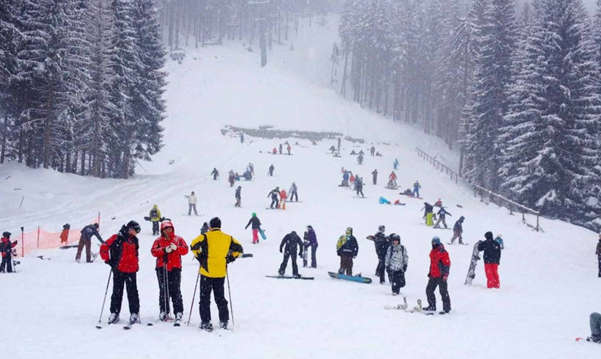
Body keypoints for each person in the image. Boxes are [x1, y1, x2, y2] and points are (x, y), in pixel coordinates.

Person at [190, 217, 243, 331]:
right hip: (220, 272)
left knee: (205, 298)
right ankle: (224, 320)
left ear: (210, 226)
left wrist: (200, 257)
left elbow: (193, 245)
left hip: (206, 271)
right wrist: (228, 259)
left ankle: (206, 321)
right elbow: (239, 249)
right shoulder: (228, 238)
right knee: (220, 297)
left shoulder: (205, 236)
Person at [99, 221, 142, 325]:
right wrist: (108, 260)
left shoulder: (135, 240)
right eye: (136, 230)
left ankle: (134, 313)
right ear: (130, 229)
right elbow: (104, 247)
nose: (137, 232)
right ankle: (114, 313)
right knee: (117, 292)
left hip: (131, 270)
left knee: (133, 293)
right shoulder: (117, 237)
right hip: (119, 269)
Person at [150, 221, 188, 322]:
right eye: (166, 229)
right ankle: (164, 310)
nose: (168, 230)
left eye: (169, 228)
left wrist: (176, 248)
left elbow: (185, 250)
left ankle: (178, 311)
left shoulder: (178, 239)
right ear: (162, 230)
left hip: (175, 267)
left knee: (176, 289)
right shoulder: (158, 240)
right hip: (162, 267)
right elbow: (153, 252)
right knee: (163, 290)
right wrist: (163, 250)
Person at [423, 237, 451, 313]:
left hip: (441, 276)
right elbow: (432, 263)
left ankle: (446, 309)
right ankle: (432, 306)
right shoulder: (432, 252)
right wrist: (430, 272)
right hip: (433, 275)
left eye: (435, 243)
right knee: (429, 290)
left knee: (443, 292)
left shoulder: (443, 252)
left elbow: (447, 264)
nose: (434, 244)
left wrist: (445, 275)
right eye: (433, 243)